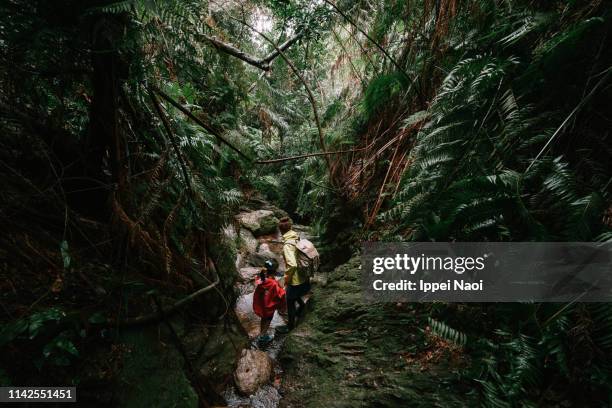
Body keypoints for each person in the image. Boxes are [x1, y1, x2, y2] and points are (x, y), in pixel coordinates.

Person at [276, 217, 310, 333]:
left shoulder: (287, 245)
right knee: (295, 295)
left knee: (289, 301)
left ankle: (290, 327)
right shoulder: (296, 237)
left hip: (295, 279)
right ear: (291, 227)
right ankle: (301, 308)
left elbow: (292, 265)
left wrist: (285, 278)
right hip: (304, 274)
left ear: (281, 231)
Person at [252, 260, 285, 346]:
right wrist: (283, 287)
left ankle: (262, 333)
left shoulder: (261, 278)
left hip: (261, 304)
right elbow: (280, 295)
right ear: (275, 271)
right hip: (269, 307)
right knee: (268, 321)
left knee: (263, 319)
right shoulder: (273, 283)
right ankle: (262, 337)